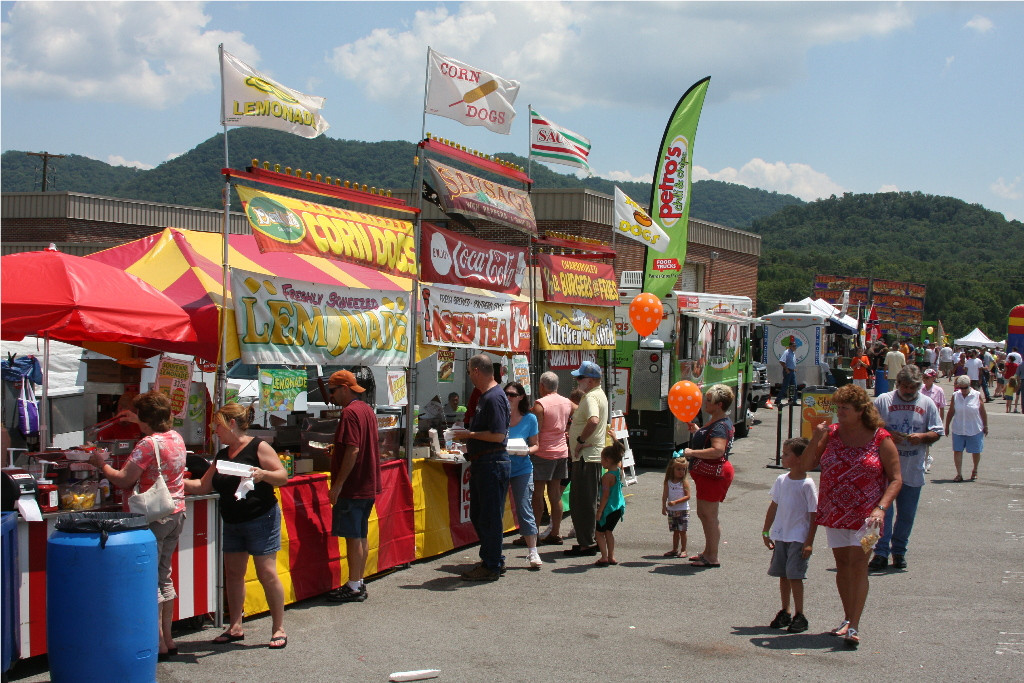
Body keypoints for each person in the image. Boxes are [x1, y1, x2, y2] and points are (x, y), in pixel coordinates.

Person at [796, 384, 902, 649]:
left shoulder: (881, 438)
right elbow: (807, 465)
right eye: (838, 407)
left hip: (868, 516)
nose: (839, 412)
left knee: (858, 565)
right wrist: (815, 437)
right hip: (834, 511)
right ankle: (846, 616)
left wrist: (882, 507)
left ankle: (854, 624)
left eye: (845, 408)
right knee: (843, 564)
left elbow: (896, 479)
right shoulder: (831, 434)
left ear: (860, 411)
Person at [183, 402, 289, 649]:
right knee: (233, 574)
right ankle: (235, 626)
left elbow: (282, 477)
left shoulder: (258, 447)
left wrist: (263, 475)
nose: (214, 432)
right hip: (232, 520)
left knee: (266, 572)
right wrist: (174, 482)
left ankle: (278, 628)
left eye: (217, 426)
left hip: (261, 517)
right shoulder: (221, 455)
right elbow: (203, 486)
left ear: (231, 424)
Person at [90, 390, 187, 660]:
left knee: (149, 581)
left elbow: (123, 479)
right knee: (164, 576)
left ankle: (157, 641)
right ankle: (168, 638)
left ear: (144, 420)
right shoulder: (175, 437)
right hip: (176, 512)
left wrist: (101, 464)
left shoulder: (148, 443)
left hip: (152, 516)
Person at [868, 365, 943, 571]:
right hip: (886, 469)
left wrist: (923, 437)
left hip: (912, 468)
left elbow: (937, 431)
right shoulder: (884, 400)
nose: (909, 391)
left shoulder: (927, 403)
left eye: (913, 388)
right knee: (884, 514)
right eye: (905, 387)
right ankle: (881, 553)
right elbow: (870, 427)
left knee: (906, 515)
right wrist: (887, 434)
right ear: (898, 384)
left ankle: (899, 552)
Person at [324, 370, 382, 603]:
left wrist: (338, 485)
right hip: (366, 483)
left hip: (354, 485)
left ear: (345, 388)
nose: (331, 396)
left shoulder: (349, 413)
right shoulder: (366, 409)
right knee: (360, 534)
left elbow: (353, 449)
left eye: (333, 390)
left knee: (353, 537)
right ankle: (358, 580)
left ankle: (354, 585)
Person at [452, 354, 511, 581]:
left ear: (476, 371)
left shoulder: (493, 397)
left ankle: (491, 564)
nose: (469, 376)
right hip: (485, 461)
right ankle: (493, 558)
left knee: (488, 516)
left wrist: (471, 434)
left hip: (491, 462)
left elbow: (498, 435)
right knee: (480, 514)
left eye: (468, 371)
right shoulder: (488, 396)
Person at [762, 437, 817, 634]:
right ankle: (785, 609)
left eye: (786, 454)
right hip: (782, 536)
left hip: (798, 537)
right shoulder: (781, 480)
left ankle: (800, 614)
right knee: (783, 574)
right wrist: (767, 530)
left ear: (800, 458)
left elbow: (814, 514)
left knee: (795, 576)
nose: (782, 457)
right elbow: (774, 505)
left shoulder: (807, 484)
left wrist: (809, 542)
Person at [683, 384, 736, 568]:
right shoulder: (717, 421)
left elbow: (718, 451)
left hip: (714, 474)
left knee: (709, 515)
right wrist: (697, 431)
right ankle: (708, 552)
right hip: (709, 474)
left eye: (709, 400)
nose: (705, 403)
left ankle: (712, 556)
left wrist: (692, 452)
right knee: (704, 514)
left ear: (719, 404)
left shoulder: (720, 425)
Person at [564, 361, 609, 558]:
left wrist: (581, 440)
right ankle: (590, 540)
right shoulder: (598, 394)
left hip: (586, 457)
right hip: (590, 456)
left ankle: (587, 543)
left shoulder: (591, 397)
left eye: (580, 378)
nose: (577, 381)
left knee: (583, 501)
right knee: (588, 499)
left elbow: (593, 420)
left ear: (590, 380)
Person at [531, 371, 573, 545]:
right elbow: (579, 413)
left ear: (542, 385)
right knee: (555, 494)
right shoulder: (566, 401)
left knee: (538, 494)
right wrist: (569, 431)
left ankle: (534, 532)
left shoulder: (540, 404)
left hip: (543, 452)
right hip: (561, 451)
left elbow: (536, 431)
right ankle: (555, 532)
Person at [505, 381, 542, 569]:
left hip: (522, 468)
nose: (508, 397)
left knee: (524, 507)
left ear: (520, 397)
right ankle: (493, 553)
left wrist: (526, 451)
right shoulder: (499, 415)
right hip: (501, 467)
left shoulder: (530, 418)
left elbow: (536, 445)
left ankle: (533, 552)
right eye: (506, 394)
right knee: (494, 510)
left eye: (512, 394)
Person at [945, 375, 988, 482]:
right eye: (961, 388)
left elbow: (982, 411)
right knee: (957, 450)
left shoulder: (976, 395)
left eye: (965, 387)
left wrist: (985, 425)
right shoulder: (956, 395)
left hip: (974, 428)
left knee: (975, 451)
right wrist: (946, 426)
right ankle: (959, 474)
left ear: (969, 385)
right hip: (958, 428)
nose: (963, 390)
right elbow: (951, 411)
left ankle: (975, 469)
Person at [594, 438, 626, 567]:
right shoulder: (619, 470)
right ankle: (612, 556)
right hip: (618, 507)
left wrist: (600, 511)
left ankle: (604, 557)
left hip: (609, 509)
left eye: (602, 459)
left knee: (599, 533)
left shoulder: (607, 477)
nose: (601, 462)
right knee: (609, 532)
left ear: (607, 460)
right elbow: (619, 456)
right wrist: (614, 440)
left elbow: (605, 496)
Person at [661, 455, 691, 558]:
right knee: (675, 531)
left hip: (682, 509)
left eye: (683, 469)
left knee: (682, 531)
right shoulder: (668, 482)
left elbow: (688, 496)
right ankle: (675, 549)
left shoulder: (684, 482)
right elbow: (665, 494)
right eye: (679, 469)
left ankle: (683, 550)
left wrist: (676, 502)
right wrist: (663, 506)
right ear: (672, 469)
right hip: (672, 510)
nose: (681, 472)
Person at [919, 368, 946, 473]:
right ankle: (926, 459)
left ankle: (926, 460)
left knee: (927, 441)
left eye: (927, 377)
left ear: (933, 378)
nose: (925, 379)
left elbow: (942, 407)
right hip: (921, 417)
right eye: (924, 377)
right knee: (922, 442)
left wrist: (941, 421)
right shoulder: (920, 388)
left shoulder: (938, 390)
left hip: (932, 418)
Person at [776, 339, 797, 405]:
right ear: (790, 346)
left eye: (795, 346)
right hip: (788, 372)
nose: (795, 347)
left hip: (792, 372)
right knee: (785, 386)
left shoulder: (793, 353)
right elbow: (781, 361)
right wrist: (786, 369)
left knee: (794, 386)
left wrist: (794, 369)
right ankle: (778, 400)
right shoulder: (787, 352)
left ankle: (793, 400)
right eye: (793, 346)